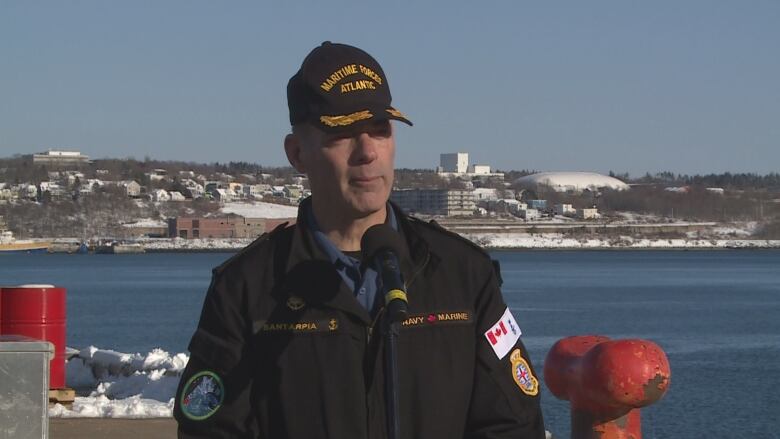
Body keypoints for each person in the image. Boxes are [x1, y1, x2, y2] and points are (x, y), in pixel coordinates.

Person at [174, 41, 545, 438]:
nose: (368, 151)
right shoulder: (246, 289)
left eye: (380, 130)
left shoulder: (464, 275)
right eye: (343, 132)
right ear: (298, 153)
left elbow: (514, 424)